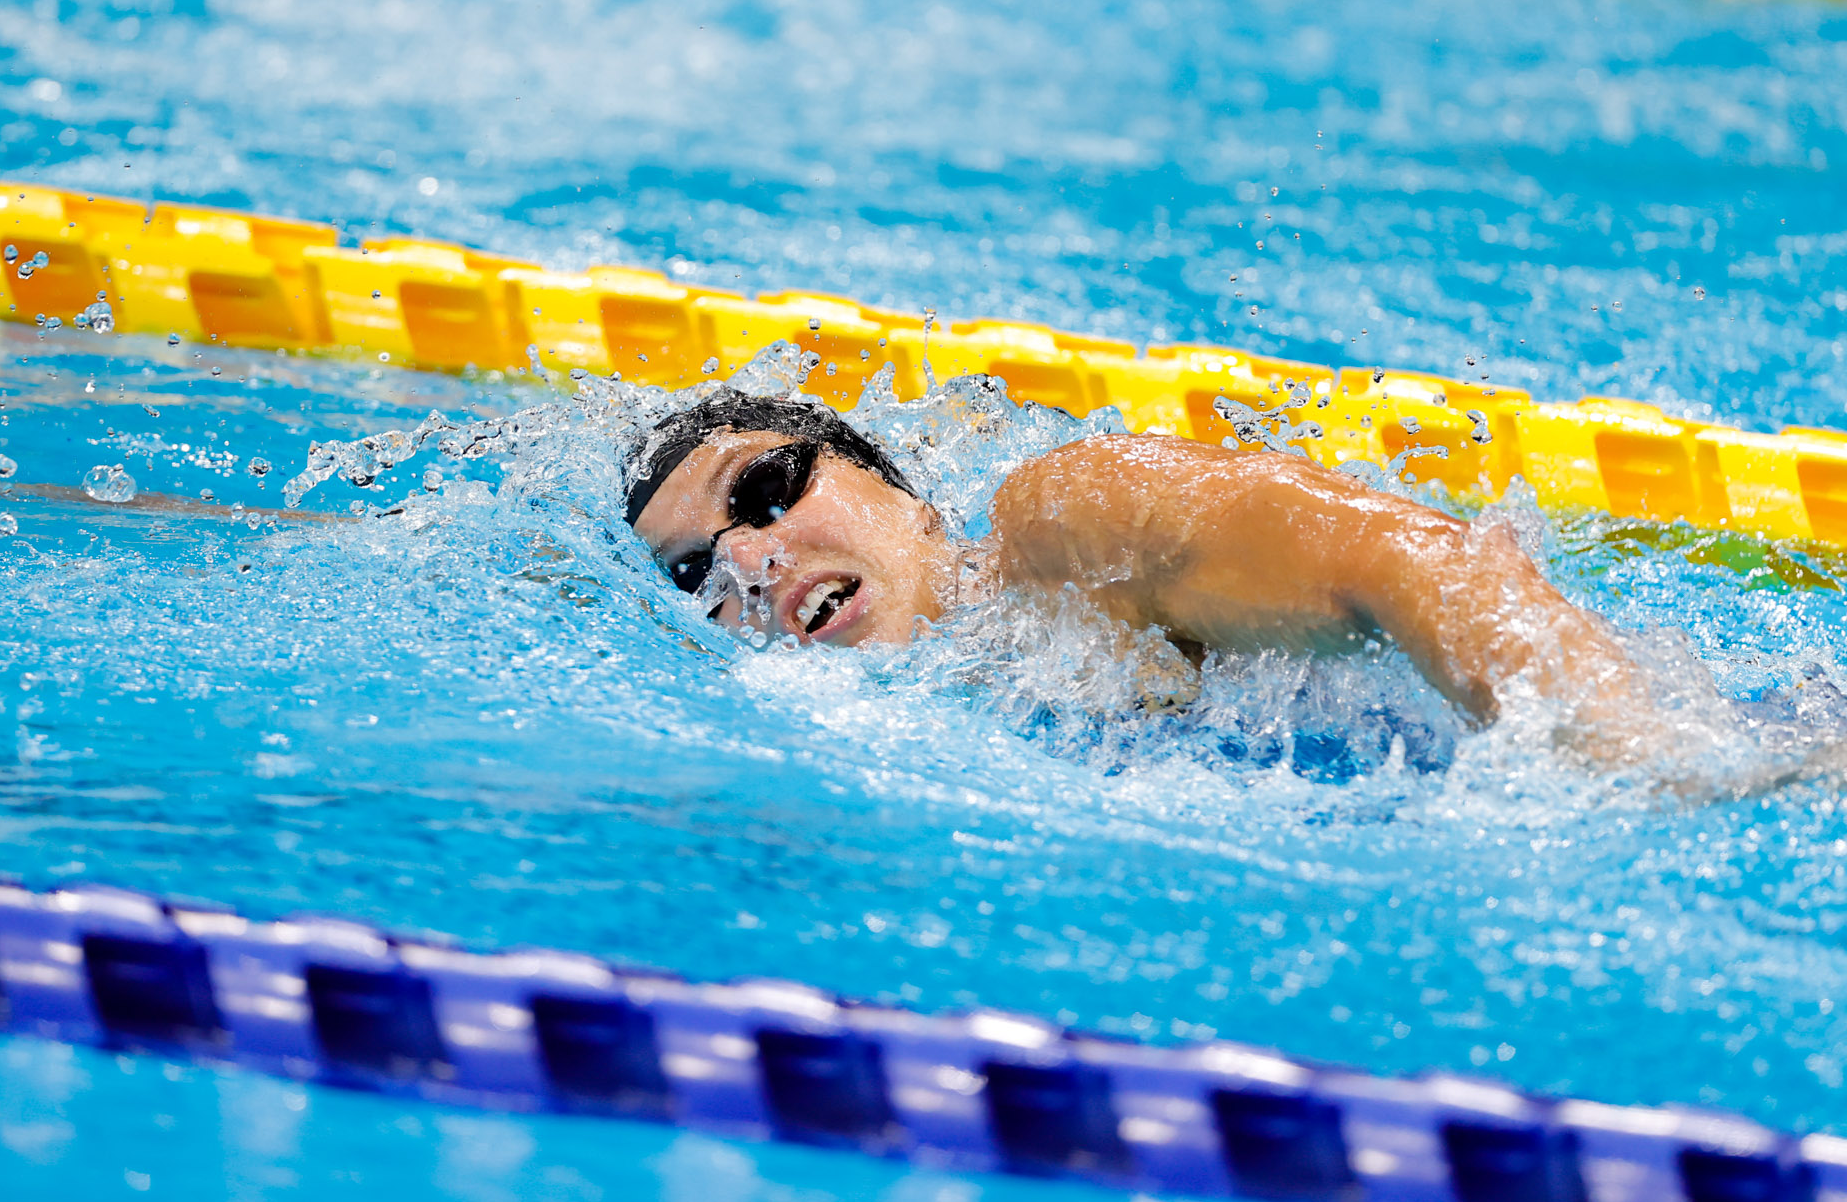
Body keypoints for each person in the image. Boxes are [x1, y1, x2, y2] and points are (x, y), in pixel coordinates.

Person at [623, 387, 1662, 764]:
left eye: (765, 489)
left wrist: (1621, 756)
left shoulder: (1065, 526)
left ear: (906, 493)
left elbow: (1408, 557)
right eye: (695, 573)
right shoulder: (880, 739)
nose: (750, 559)